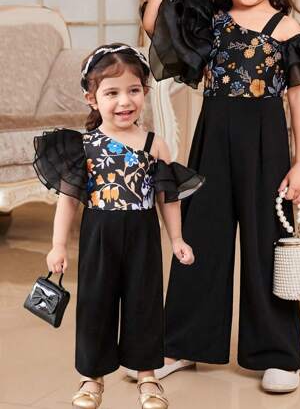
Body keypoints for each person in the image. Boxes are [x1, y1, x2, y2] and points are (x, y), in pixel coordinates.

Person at [139, 0, 300, 394]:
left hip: (266, 146)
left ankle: (279, 353)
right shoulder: (210, 20)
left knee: (267, 246)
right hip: (212, 141)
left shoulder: (287, 29)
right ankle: (183, 343)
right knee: (200, 238)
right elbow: (153, 23)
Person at [33, 43, 205, 408]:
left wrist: (177, 238)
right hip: (99, 235)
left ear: (145, 92)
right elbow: (68, 200)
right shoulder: (85, 146)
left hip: (143, 235)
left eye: (133, 90)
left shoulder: (155, 145)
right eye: (112, 93)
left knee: (145, 304)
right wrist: (58, 245)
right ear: (91, 98)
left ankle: (147, 376)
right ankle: (91, 378)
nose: (124, 101)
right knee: (95, 304)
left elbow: (167, 196)